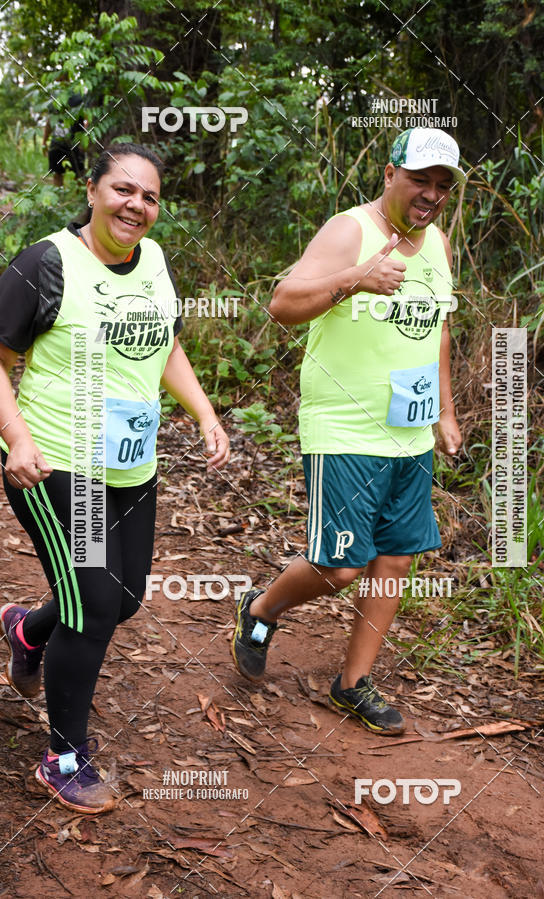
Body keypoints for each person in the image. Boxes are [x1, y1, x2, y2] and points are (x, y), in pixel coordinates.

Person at [0, 143, 229, 813]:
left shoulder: (153, 260)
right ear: (94, 191)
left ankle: (27, 629)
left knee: (122, 599)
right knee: (96, 605)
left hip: (132, 467)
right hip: (57, 465)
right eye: (123, 189)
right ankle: (63, 756)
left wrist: (206, 412)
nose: (136, 205)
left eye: (150, 196)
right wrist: (15, 437)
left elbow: (168, 345)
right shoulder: (45, 263)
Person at [231, 127, 465, 735]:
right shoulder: (349, 230)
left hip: (408, 431)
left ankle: (351, 684)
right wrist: (353, 279)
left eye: (442, 185)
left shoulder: (435, 242)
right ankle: (260, 609)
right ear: (390, 175)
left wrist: (445, 408)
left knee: (395, 559)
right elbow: (282, 303)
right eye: (420, 180)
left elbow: (437, 327)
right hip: (345, 429)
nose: (431, 194)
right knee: (340, 567)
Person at [42, 92, 86, 187]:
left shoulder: (78, 97)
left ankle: (80, 198)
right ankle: (60, 197)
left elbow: (87, 119)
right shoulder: (54, 96)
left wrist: (83, 141)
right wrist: (44, 142)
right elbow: (49, 122)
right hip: (57, 142)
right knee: (57, 172)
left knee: (79, 173)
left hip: (75, 142)